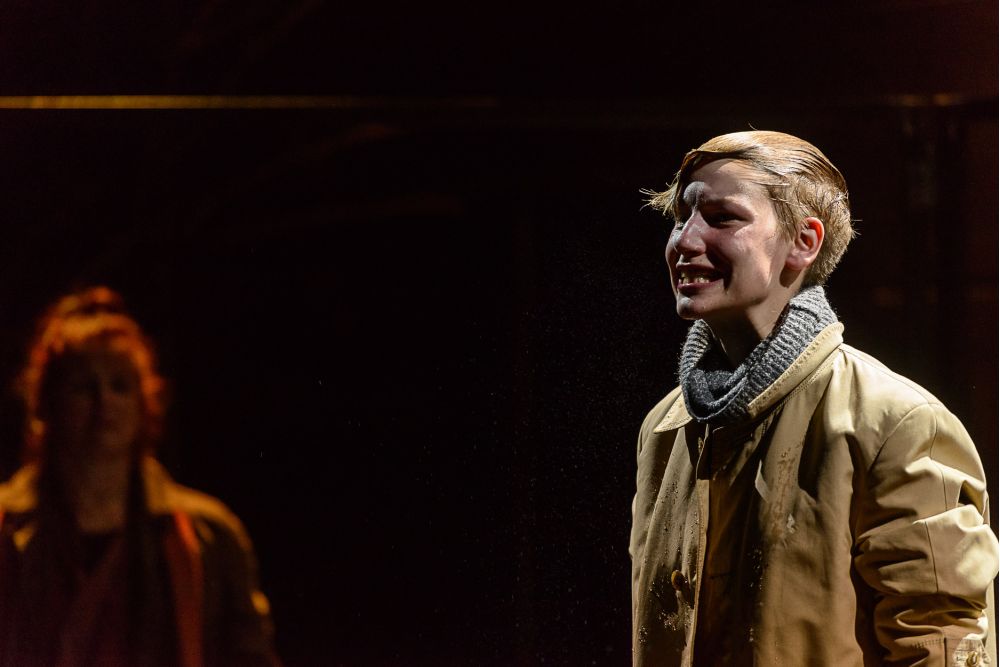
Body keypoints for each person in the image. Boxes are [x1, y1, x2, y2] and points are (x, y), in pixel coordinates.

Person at [630, 131, 998, 666]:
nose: (684, 241)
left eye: (722, 217)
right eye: (682, 217)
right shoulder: (665, 426)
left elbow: (941, 644)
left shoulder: (894, 422)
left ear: (804, 242)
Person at [0, 287, 280, 666]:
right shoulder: (5, 526)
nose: (104, 401)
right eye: (83, 386)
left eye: (120, 385)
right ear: (47, 402)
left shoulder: (208, 534)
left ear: (143, 402)